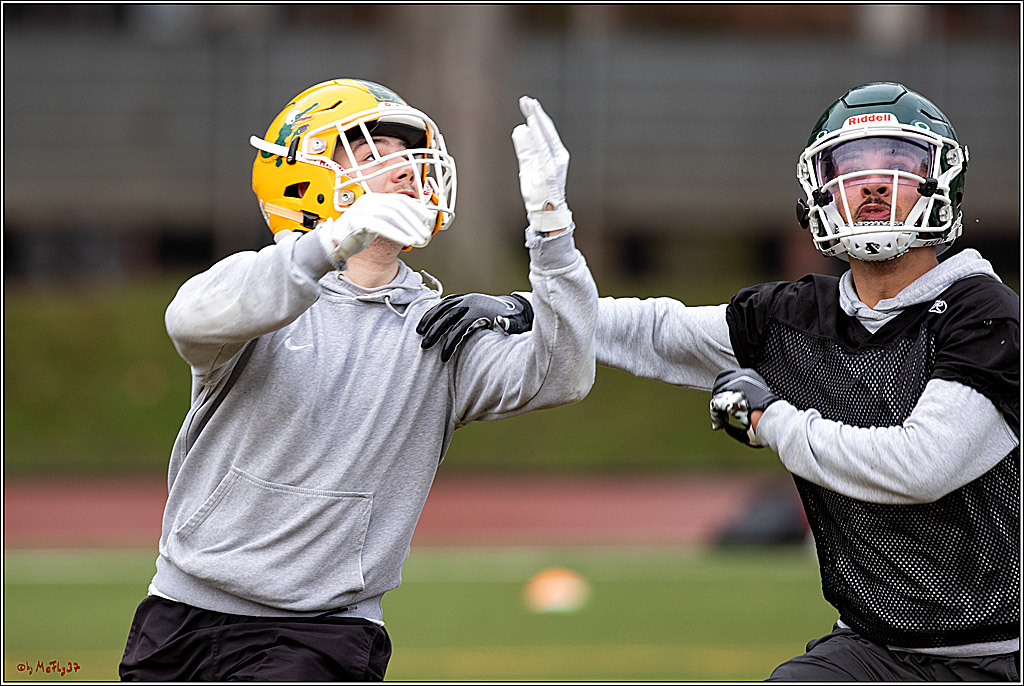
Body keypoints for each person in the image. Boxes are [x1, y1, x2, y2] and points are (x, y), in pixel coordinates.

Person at [418, 82, 1020, 681]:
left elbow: (921, 466)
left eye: (896, 164)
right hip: (865, 648)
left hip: (1000, 655)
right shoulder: (794, 316)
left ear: (942, 182)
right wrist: (531, 306)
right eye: (850, 167)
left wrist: (770, 420)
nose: (869, 184)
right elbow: (657, 330)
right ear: (818, 188)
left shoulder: (985, 314)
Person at [118, 78, 596, 681]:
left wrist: (553, 232)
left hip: (322, 633)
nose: (404, 170)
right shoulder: (266, 295)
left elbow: (563, 374)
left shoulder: (441, 330)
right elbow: (188, 316)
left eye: (406, 153)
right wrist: (328, 245)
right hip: (178, 614)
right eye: (373, 156)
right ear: (306, 183)